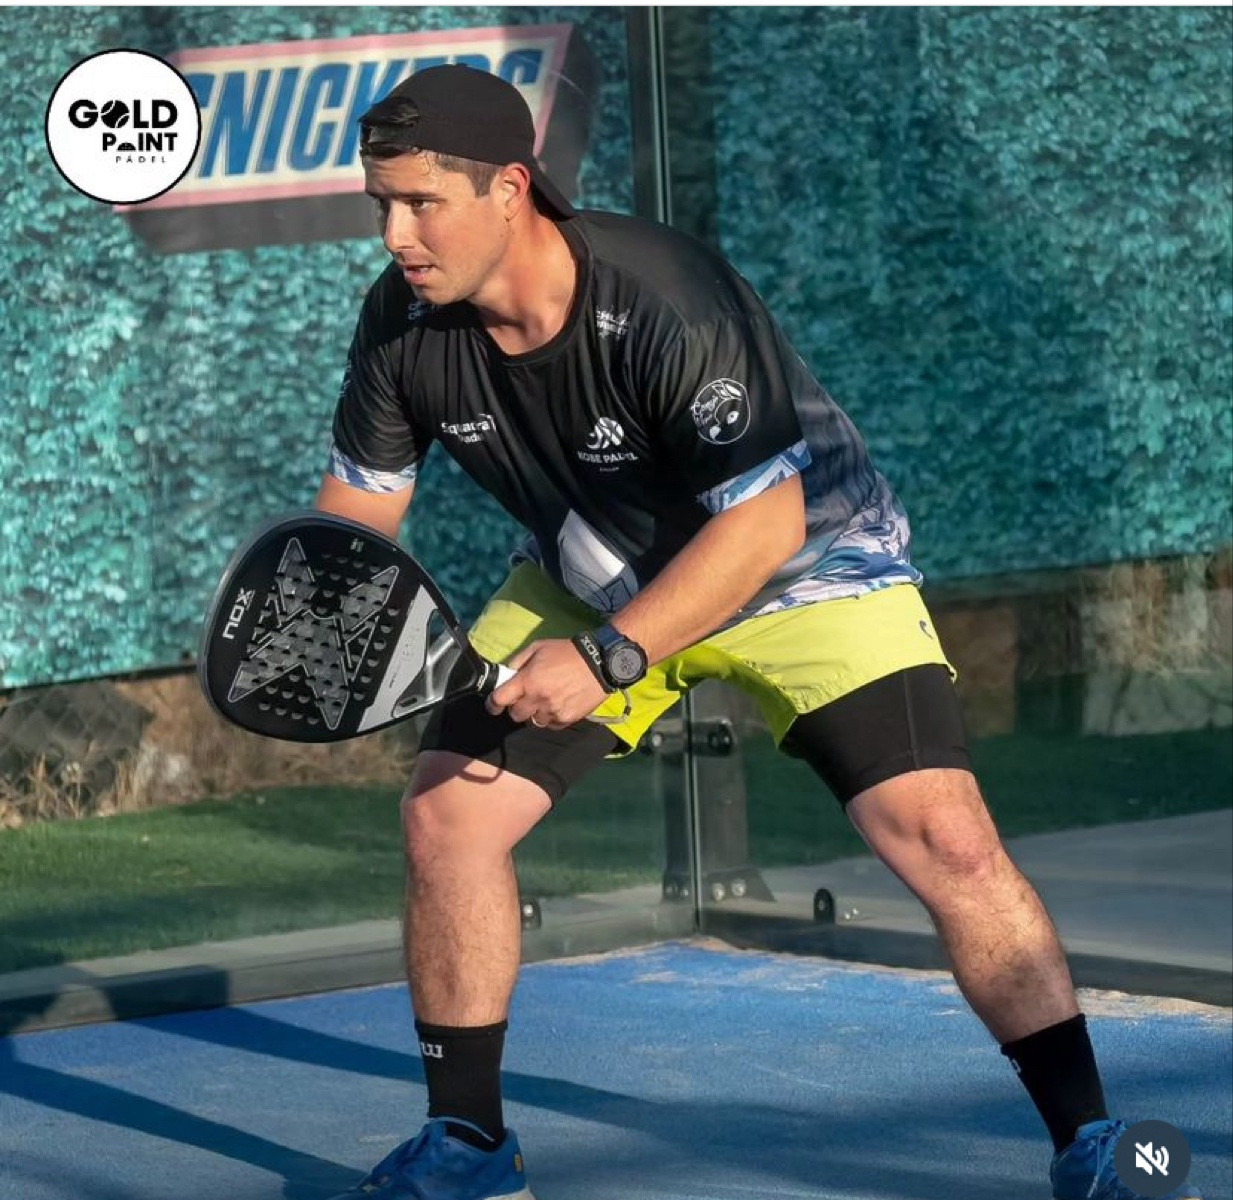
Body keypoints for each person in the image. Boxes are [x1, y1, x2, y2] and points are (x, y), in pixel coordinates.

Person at [315, 64, 1202, 1200]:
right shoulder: (401, 322)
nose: (394, 235)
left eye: (420, 203)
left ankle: (1093, 1145)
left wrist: (605, 659)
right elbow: (360, 517)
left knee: (945, 835)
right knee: (447, 816)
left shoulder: (666, 297)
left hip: (805, 569)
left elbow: (764, 523)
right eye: (380, 204)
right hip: (593, 574)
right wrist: (327, 626)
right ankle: (469, 1151)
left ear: (510, 189)